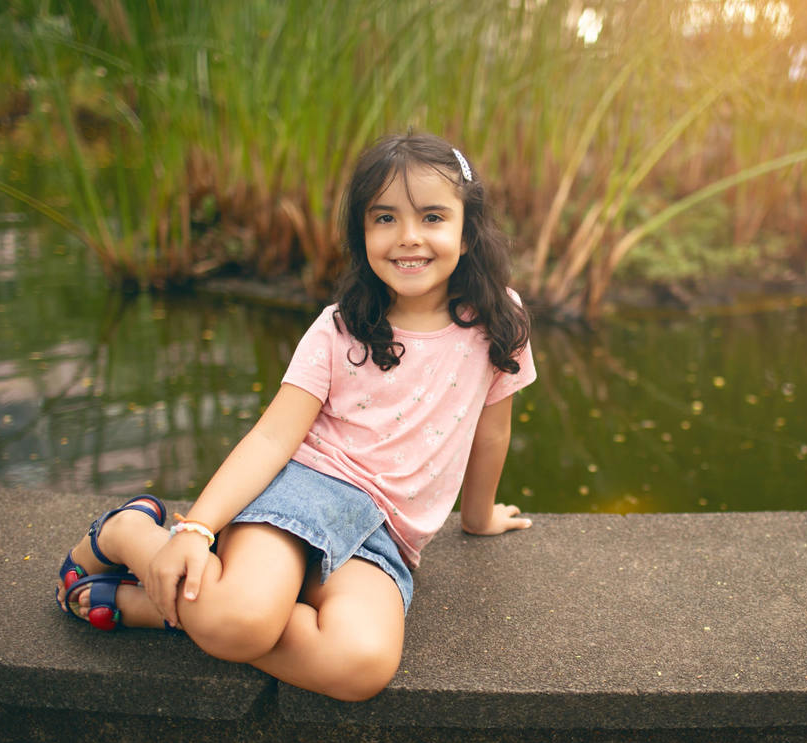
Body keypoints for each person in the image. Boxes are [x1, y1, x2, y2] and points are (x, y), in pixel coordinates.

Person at [54, 132, 536, 701]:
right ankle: (132, 532)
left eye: (432, 216)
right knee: (240, 623)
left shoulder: (499, 320)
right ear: (362, 233)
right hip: (302, 497)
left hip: (384, 538)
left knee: (360, 667)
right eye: (385, 218)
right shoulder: (340, 328)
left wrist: (477, 519)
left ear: (466, 227)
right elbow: (273, 436)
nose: (409, 238)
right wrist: (197, 527)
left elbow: (491, 430)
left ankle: (154, 607)